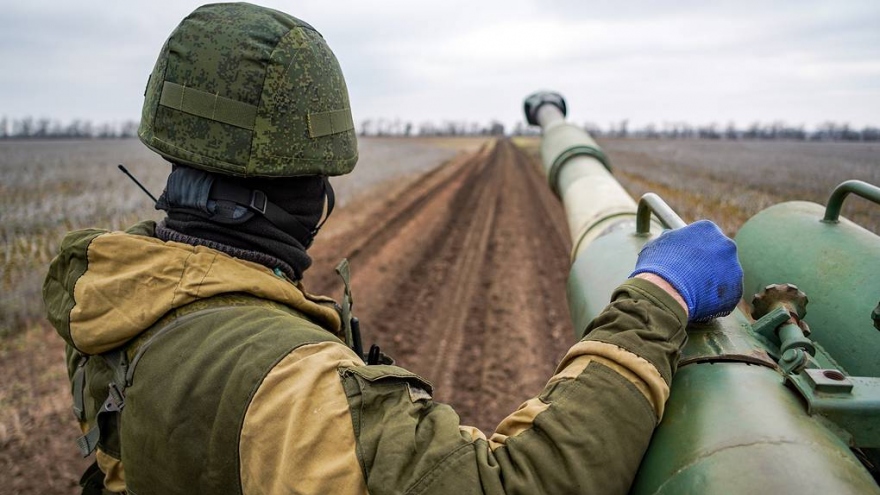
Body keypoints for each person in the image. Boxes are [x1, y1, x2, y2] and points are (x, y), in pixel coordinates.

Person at [43, 3, 743, 494]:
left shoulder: (119, 297)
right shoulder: (293, 390)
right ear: (309, 193)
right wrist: (658, 297)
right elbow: (519, 484)